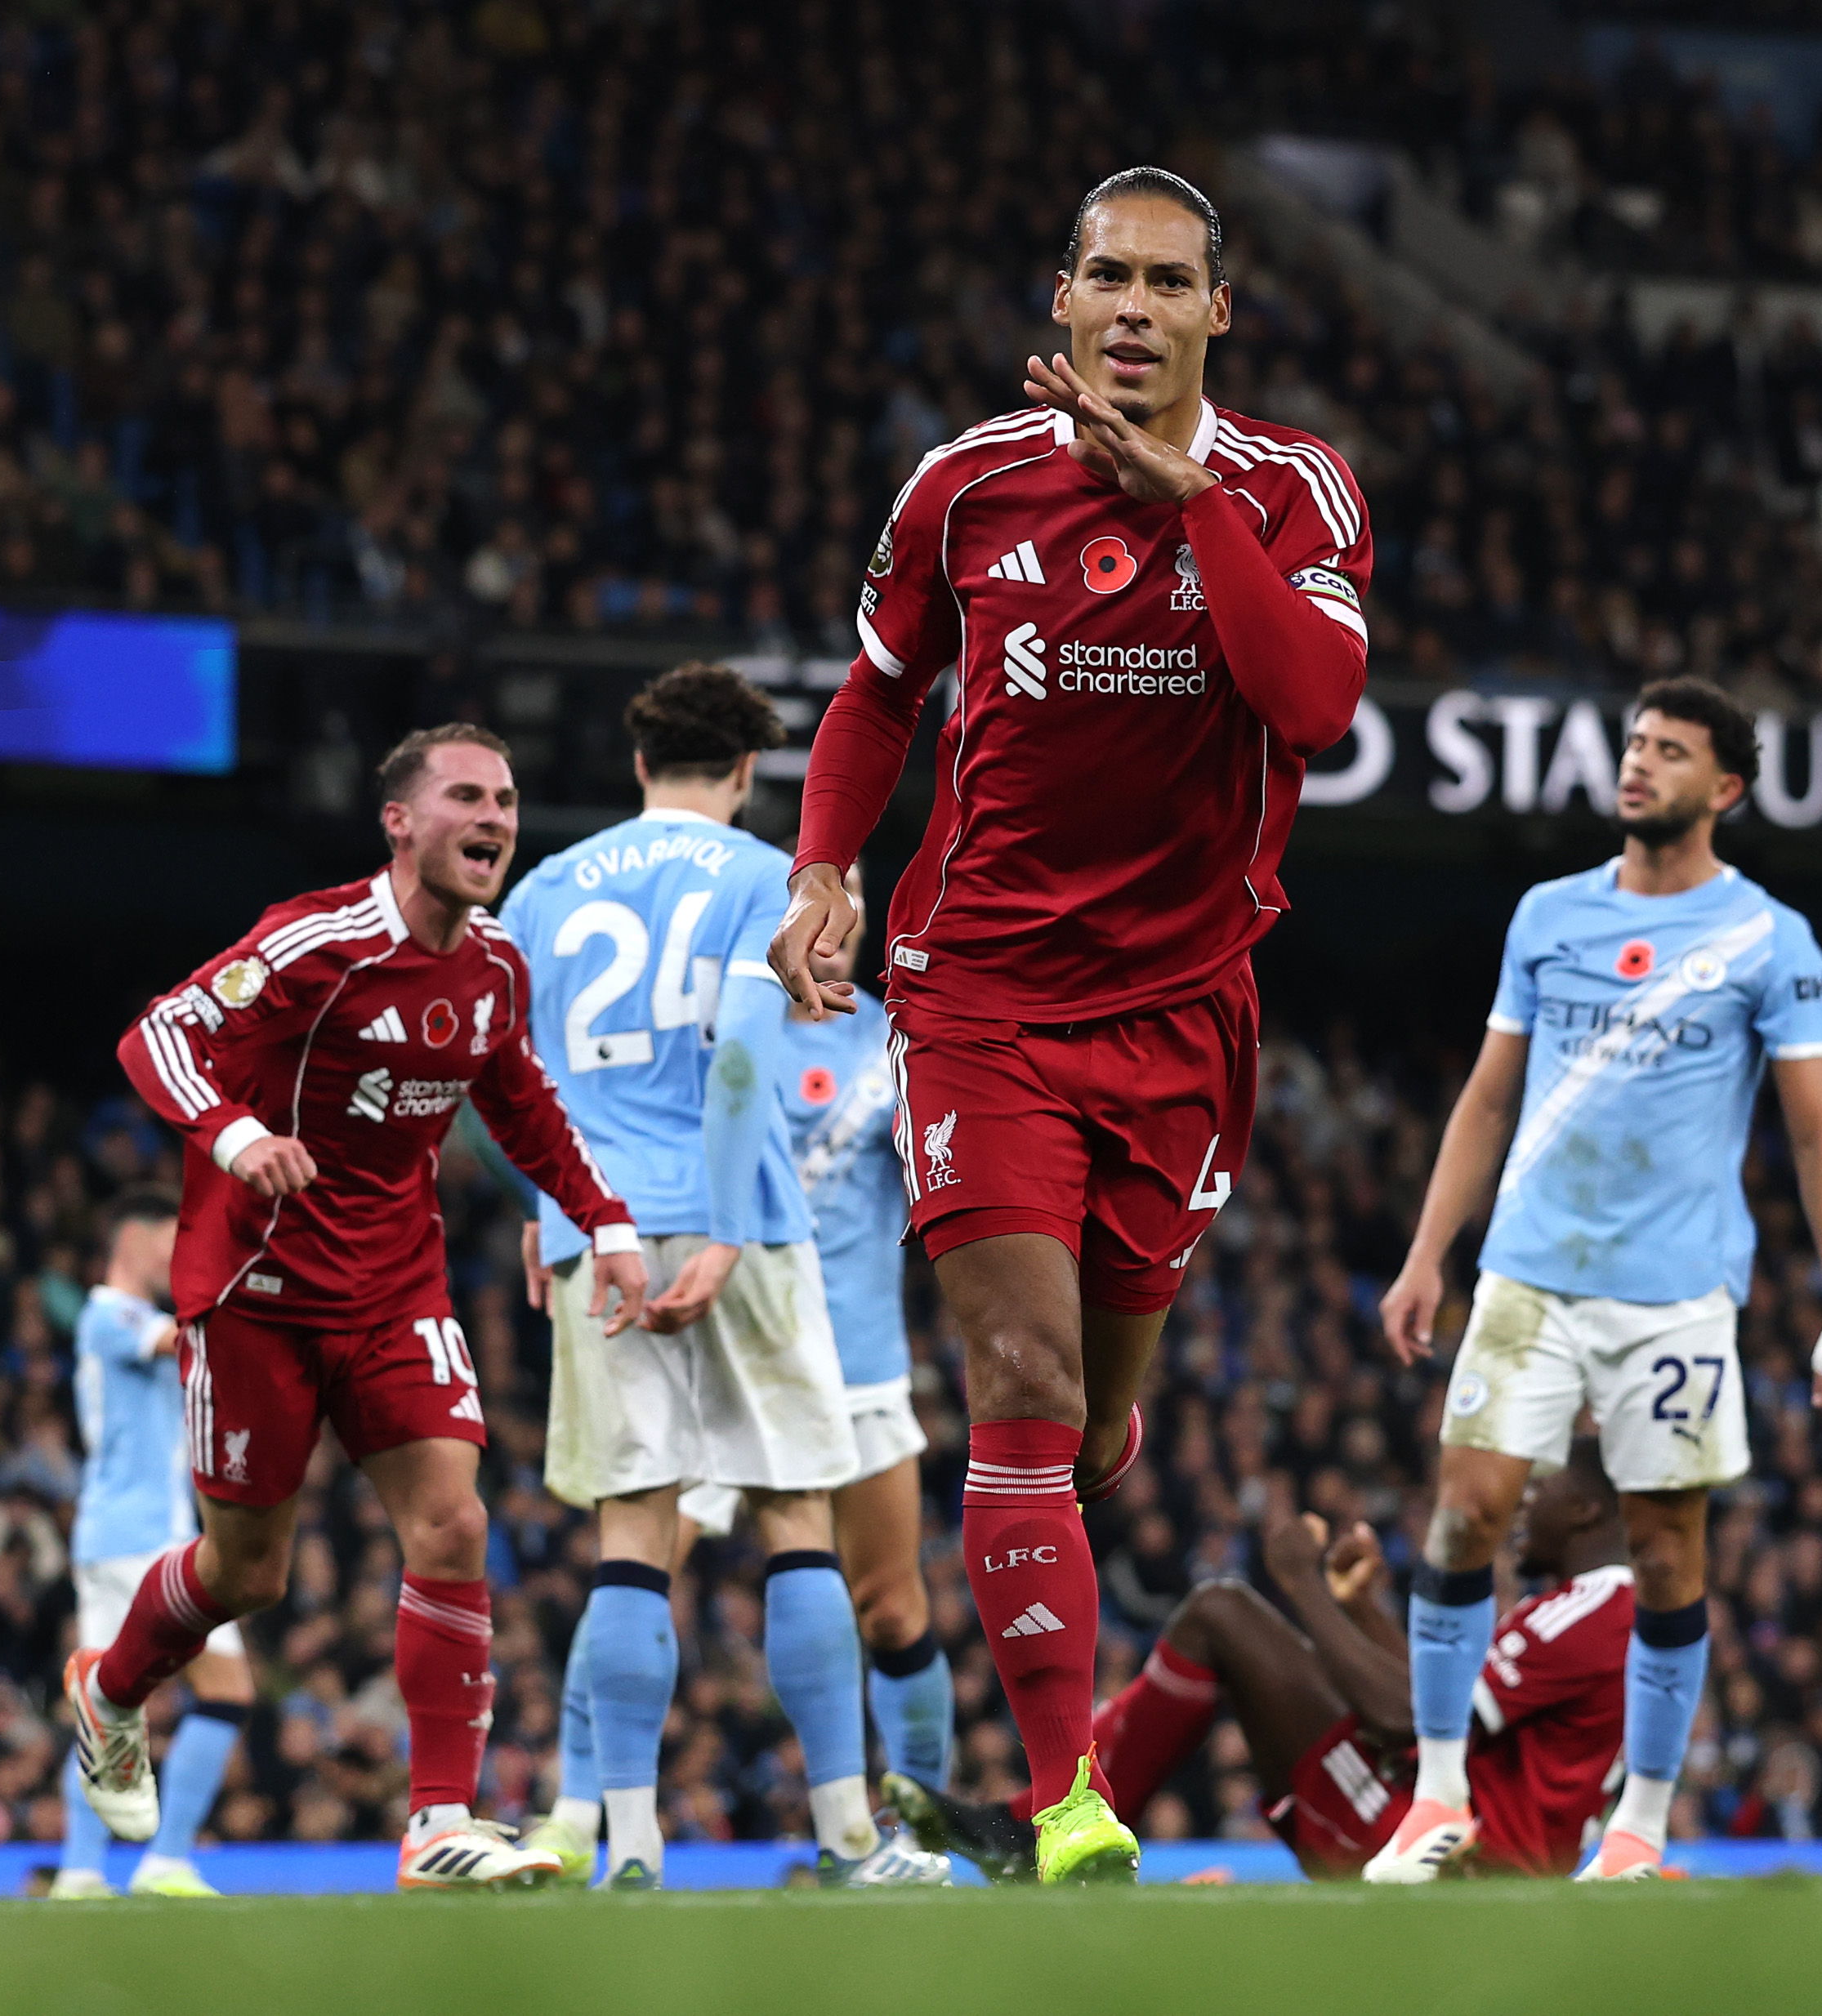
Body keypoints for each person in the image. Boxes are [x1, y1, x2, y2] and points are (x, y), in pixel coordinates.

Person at [770, 165, 1375, 1886]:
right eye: (1103, 275)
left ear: (1215, 313)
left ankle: (1084, 1455)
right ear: (1060, 300)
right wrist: (825, 868)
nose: (1131, 306)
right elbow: (880, 689)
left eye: (1166, 282)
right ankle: (1063, 1798)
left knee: (1099, 1409)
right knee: (1019, 1381)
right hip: (979, 998)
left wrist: (1187, 501)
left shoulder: (1292, 490)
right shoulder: (963, 485)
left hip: (1184, 1016)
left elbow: (1314, 704)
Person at [85, 724, 650, 1892]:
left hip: (396, 1285)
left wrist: (608, 1218)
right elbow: (161, 1034)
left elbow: (521, 1100)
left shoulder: (495, 967)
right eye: (464, 797)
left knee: (453, 1524)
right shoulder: (316, 942)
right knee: (249, 1574)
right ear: (399, 821)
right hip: (258, 1291)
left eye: (503, 798)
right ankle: (108, 1691)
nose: (492, 819)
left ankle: (439, 1820)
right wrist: (237, 1138)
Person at [1373, 678, 1822, 1884]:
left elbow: (1815, 1134)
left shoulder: (1770, 940)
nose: (1639, 765)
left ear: (1727, 788)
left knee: (1665, 1554)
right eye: (1636, 744)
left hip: (1677, 1294)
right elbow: (1490, 1092)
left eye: (1670, 751)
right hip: (1529, 1277)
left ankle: (1640, 1828)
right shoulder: (1548, 915)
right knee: (1465, 1516)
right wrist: (1427, 1252)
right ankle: (1436, 1802)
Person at [501, 665, 940, 1889]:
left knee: (633, 1538)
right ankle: (852, 1841)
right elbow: (745, 1054)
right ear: (748, 777)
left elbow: (509, 1082)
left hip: (608, 1235)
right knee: (797, 1516)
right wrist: (737, 1228)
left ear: (639, 765)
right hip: (735, 1223)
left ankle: (628, 1849)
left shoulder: (541, 892)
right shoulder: (768, 880)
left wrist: (556, 1219)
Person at [888, 1448, 1635, 1882]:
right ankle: (1043, 1820)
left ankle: (1038, 1823)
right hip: (1459, 1842)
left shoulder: (1595, 1608)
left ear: (1590, 1511)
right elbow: (1444, 1725)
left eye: (1547, 1487)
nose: (1525, 1500)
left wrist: (1302, 1583)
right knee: (1221, 1615)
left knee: (1224, 1614)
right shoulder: (1595, 1612)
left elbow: (1411, 1720)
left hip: (1453, 1863)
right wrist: (1363, 1609)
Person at [673, 864, 954, 1795]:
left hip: (857, 1361)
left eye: (852, 898)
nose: (833, 918)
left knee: (888, 1604)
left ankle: (924, 1822)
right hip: (715, 1355)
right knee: (639, 1572)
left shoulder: (900, 1042)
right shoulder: (706, 1035)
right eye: (810, 897)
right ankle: (587, 1811)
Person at [53, 1189, 253, 1900]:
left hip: (119, 1538)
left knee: (106, 1705)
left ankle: (80, 1872)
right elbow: (184, 1340)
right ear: (133, 1241)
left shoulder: (121, 1317)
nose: (178, 1260)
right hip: (143, 1539)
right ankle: (166, 1860)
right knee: (224, 1687)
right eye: (172, 1243)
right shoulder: (111, 1312)